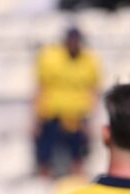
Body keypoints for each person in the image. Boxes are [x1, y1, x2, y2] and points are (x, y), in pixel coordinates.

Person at [34, 26, 101, 177]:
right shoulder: (51, 58)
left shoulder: (89, 61)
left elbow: (94, 89)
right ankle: (45, 172)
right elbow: (41, 87)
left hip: (78, 114)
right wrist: (36, 116)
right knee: (46, 148)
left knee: (79, 151)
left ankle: (77, 172)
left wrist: (91, 115)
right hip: (52, 112)